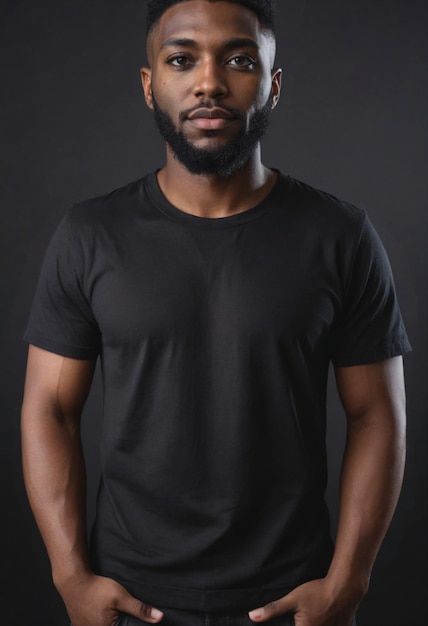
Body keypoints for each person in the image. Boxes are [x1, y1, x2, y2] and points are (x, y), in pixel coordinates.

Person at [21, 1, 411, 626]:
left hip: (291, 601)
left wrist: (348, 582)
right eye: (182, 59)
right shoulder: (90, 235)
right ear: (150, 86)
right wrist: (71, 578)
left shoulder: (341, 236)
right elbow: (50, 409)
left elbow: (376, 415)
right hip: (129, 602)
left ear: (273, 85)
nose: (209, 82)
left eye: (239, 60)